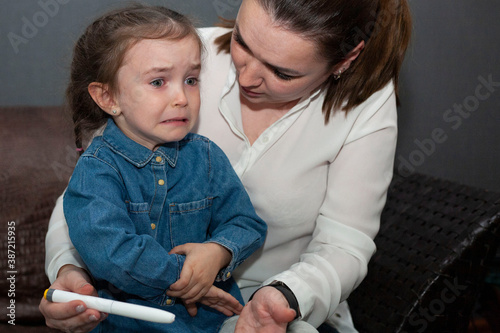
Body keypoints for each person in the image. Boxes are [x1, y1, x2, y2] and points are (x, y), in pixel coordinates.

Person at [40, 0, 412, 332]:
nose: (246, 78)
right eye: (243, 42)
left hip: (277, 305)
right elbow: (86, 197)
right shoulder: (172, 50)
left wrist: (280, 295)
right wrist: (67, 271)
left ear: (345, 60)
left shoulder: (366, 106)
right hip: (139, 307)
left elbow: (343, 244)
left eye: (283, 73)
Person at [54, 4, 267, 332]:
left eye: (191, 79)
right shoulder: (96, 171)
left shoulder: (207, 157)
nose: (182, 97)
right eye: (158, 82)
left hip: (208, 321)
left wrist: (218, 252)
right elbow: (111, 252)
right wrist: (186, 276)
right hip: (129, 322)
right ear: (108, 97)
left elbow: (246, 223)